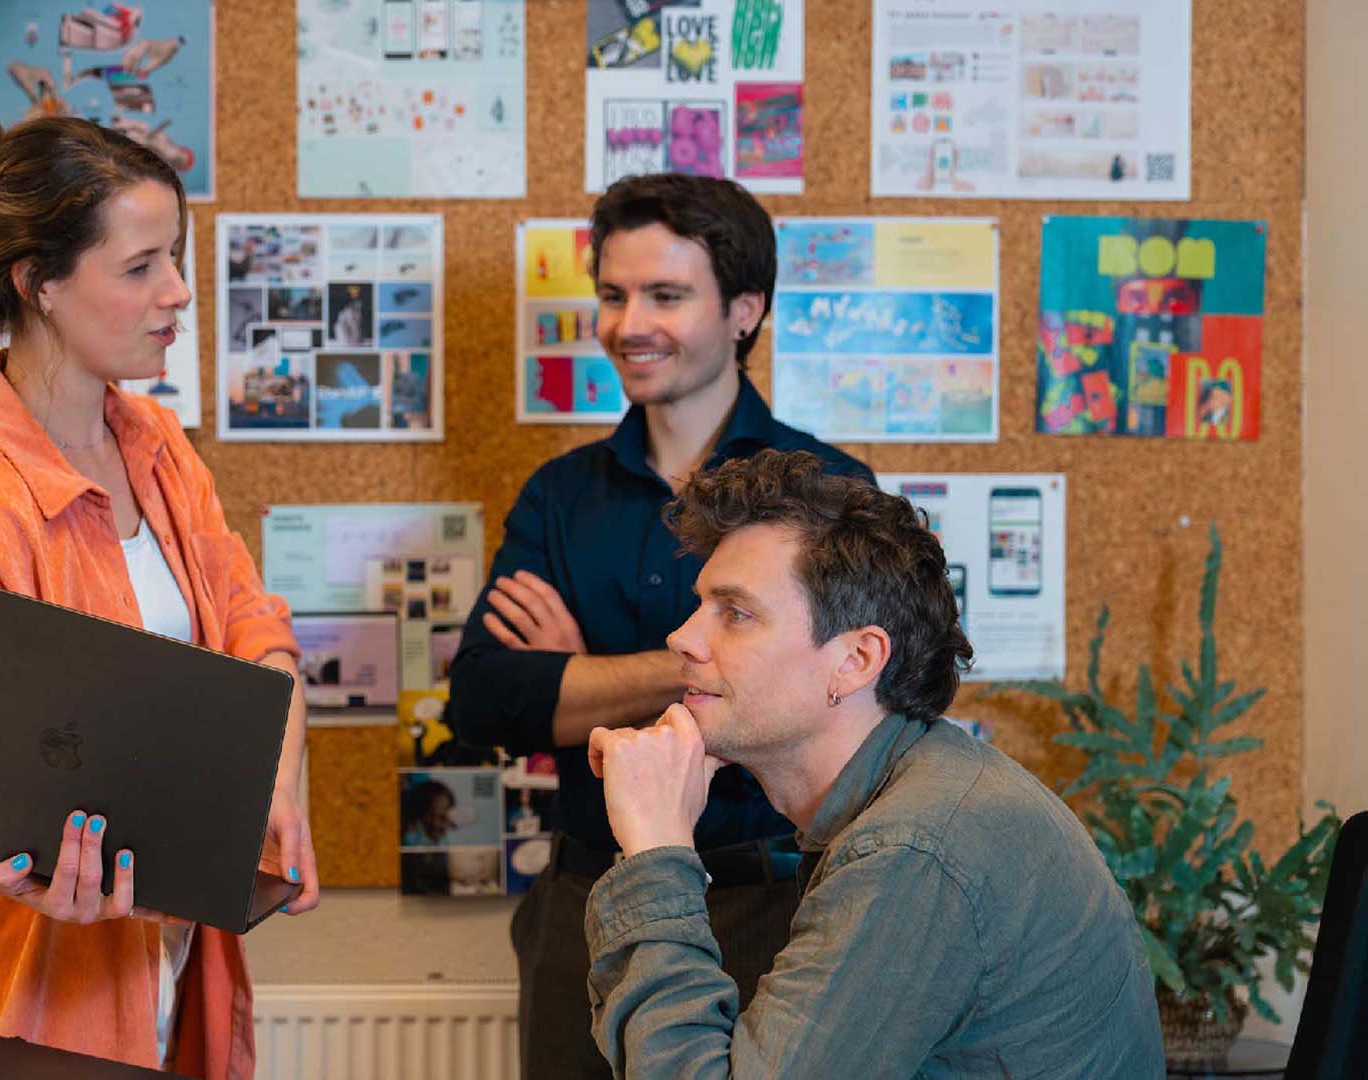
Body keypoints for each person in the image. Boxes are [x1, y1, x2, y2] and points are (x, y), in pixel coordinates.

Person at [0, 115, 320, 1077]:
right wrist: (20, 867)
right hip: (30, 1008)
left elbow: (255, 629)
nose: (178, 292)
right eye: (140, 267)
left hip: (174, 970)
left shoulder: (156, 444)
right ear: (39, 284)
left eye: (173, 257)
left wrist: (277, 781)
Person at [445, 173, 875, 1078]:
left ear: (744, 311)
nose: (629, 324)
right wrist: (729, 668)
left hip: (771, 907)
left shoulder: (827, 492)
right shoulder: (560, 495)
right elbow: (485, 701)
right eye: (613, 295)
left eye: (666, 296)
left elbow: (847, 703)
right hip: (584, 902)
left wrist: (580, 678)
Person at [585, 450, 1163, 1076]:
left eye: (736, 613)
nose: (682, 638)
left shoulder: (914, 852)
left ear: (856, 661)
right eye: (700, 606)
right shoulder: (925, 794)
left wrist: (657, 852)